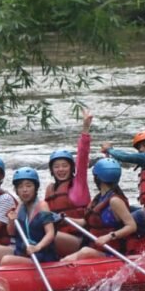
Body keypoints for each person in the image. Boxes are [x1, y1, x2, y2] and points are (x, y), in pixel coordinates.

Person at [61, 158, 137, 262]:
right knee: (70, 257)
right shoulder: (99, 198)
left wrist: (109, 237)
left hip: (114, 253)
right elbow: (85, 222)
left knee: (85, 252)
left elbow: (131, 226)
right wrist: (65, 218)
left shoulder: (115, 201)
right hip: (97, 248)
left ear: (97, 178)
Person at [47, 109, 93, 257]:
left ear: (71, 168)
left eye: (64, 165)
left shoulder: (78, 185)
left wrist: (85, 129)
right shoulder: (50, 188)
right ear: (52, 170)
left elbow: (82, 157)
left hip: (80, 239)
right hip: (59, 238)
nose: (61, 169)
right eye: (56, 166)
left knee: (48, 235)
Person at [0, 167, 59, 266]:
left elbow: (50, 233)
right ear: (17, 190)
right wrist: (11, 221)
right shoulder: (20, 206)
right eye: (20, 187)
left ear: (35, 188)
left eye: (28, 186)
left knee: (6, 260)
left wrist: (37, 247)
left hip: (41, 256)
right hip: (24, 252)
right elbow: (11, 232)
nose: (24, 190)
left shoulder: (42, 205)